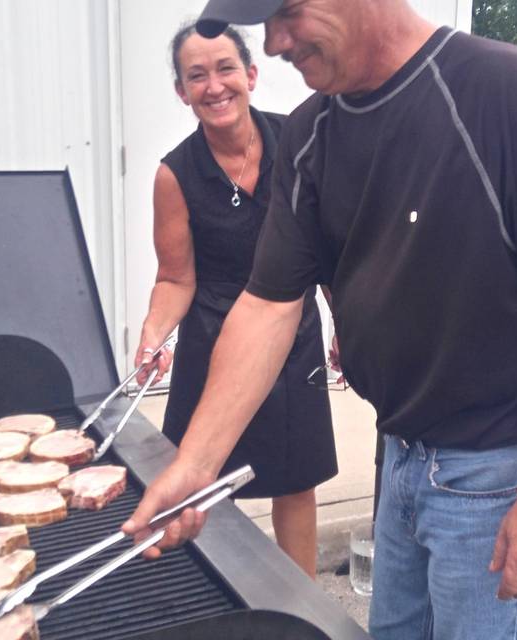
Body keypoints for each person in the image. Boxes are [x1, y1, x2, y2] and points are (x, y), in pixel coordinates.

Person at [123, 1, 517, 638]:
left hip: (496, 471)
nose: (275, 42)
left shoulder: (499, 90)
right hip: (399, 456)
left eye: (286, 12)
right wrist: (195, 470)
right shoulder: (313, 133)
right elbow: (268, 306)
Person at [131, 21, 338, 578]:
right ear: (182, 91)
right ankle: (203, 600)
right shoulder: (174, 174)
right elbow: (176, 279)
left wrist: (346, 322)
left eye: (225, 68)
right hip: (213, 344)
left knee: (296, 484)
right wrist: (154, 333)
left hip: (292, 338)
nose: (214, 85)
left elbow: (330, 248)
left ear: (250, 74)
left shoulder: (298, 143)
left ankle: (305, 611)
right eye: (196, 75)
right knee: (197, 489)